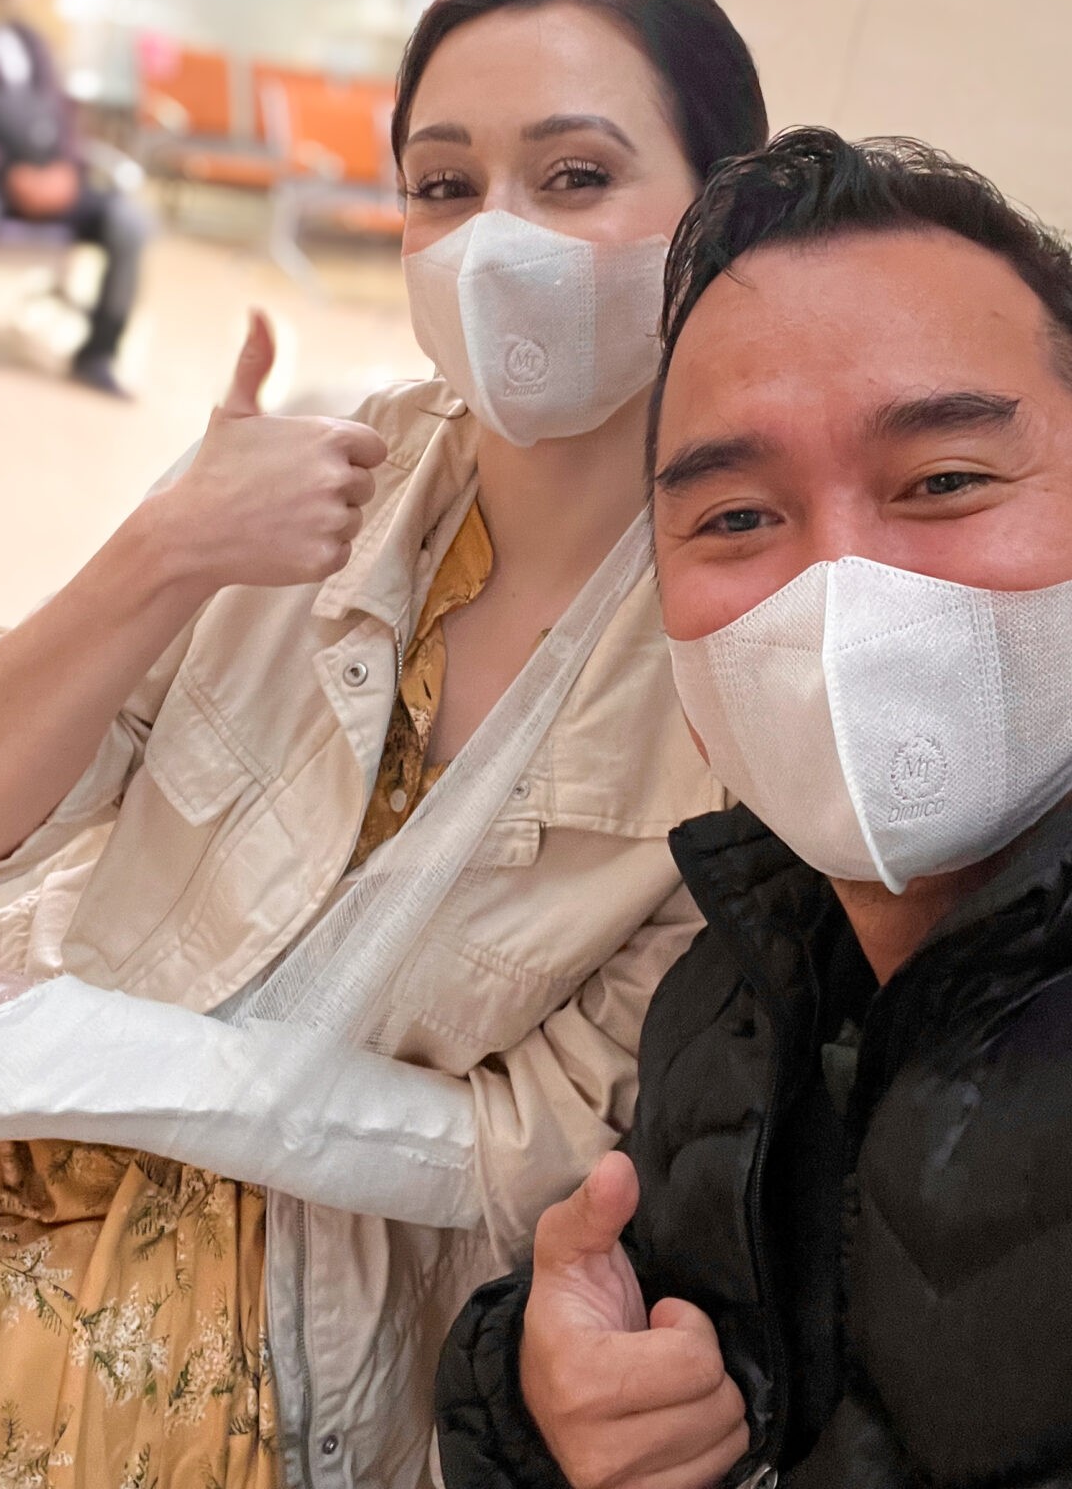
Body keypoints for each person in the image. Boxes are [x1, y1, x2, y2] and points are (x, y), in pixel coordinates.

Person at [0, 0, 768, 1488]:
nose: (496, 245)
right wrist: (157, 558)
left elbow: (550, 1148)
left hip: (301, 1349)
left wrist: (117, 1066)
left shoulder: (734, 658)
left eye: (574, 176)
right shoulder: (309, 493)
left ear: (718, 217)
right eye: (442, 185)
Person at [436, 126, 1072, 1489]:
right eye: (734, 519)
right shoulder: (727, 996)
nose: (840, 596)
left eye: (946, 482)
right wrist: (549, 1398)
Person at [0, 0, 149, 396]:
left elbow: (61, 121)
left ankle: (97, 354)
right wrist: (9, 173)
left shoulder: (31, 40)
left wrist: (65, 170)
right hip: (0, 183)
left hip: (51, 179)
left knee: (129, 221)